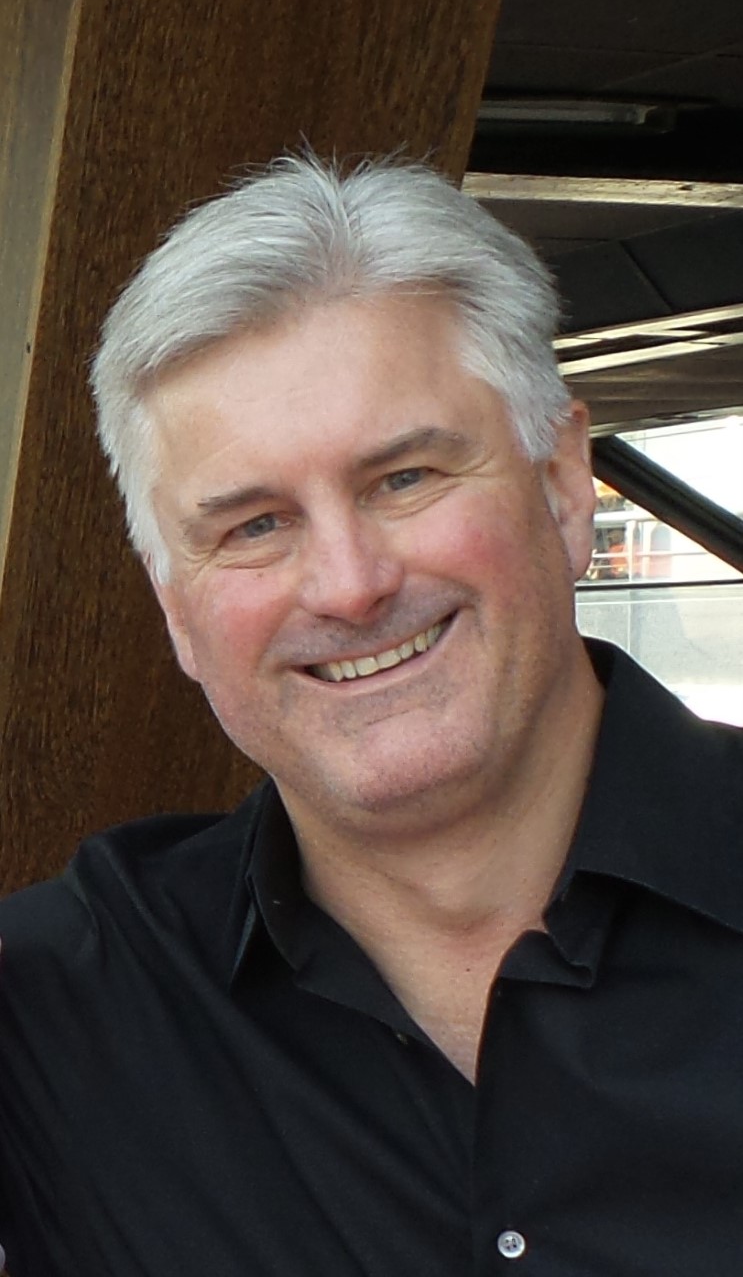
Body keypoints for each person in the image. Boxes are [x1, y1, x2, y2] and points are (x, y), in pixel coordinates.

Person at [1, 153, 742, 1277]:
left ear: (560, 481)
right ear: (177, 611)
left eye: (404, 477)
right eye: (251, 524)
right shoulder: (56, 1005)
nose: (347, 585)